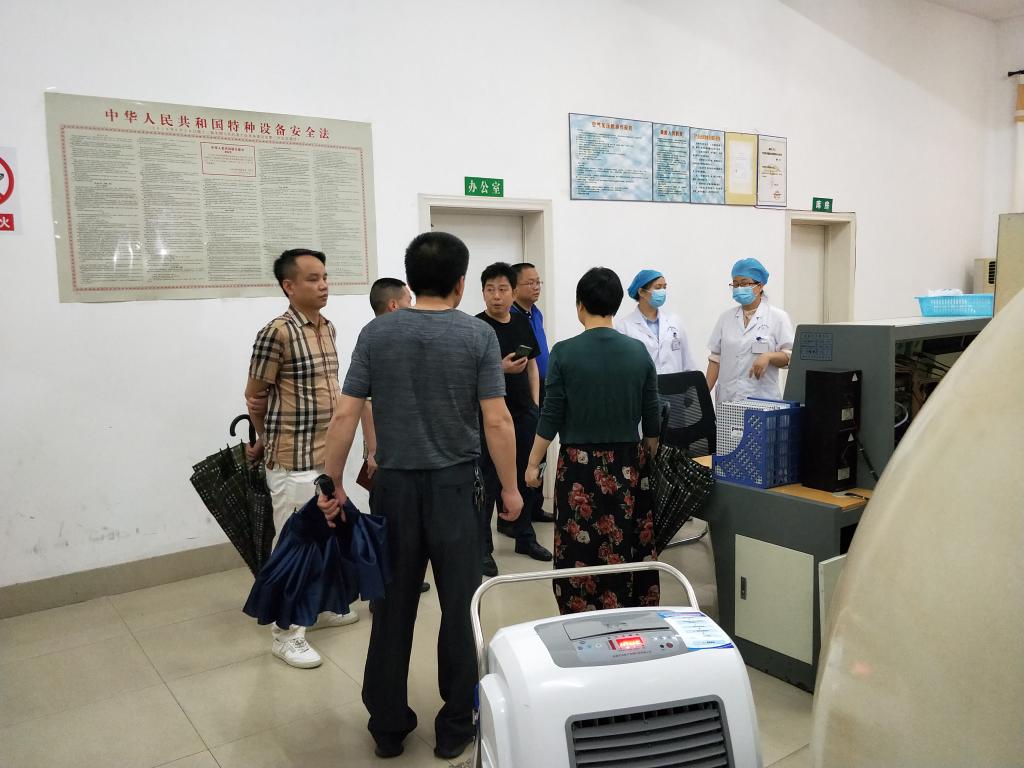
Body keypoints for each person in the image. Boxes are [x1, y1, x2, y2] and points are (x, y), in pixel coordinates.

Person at [317, 232, 523, 761]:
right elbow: (497, 420)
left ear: (410, 280)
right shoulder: (477, 336)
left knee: (391, 609)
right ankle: (455, 724)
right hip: (457, 489)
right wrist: (510, 487)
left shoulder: (377, 332)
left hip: (394, 490)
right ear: (461, 283)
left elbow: (345, 414)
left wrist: (331, 483)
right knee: (459, 607)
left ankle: (387, 726)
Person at [244, 248, 359, 670]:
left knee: (324, 538)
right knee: (294, 546)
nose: (323, 285)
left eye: (325, 277)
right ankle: (286, 633)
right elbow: (254, 395)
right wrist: (265, 438)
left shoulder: (327, 328)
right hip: (292, 457)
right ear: (288, 286)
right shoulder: (276, 332)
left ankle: (317, 607)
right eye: (313, 279)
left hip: (325, 455)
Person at [525, 267, 662, 615]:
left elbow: (551, 416)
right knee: (627, 540)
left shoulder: (564, 352)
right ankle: (628, 611)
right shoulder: (638, 352)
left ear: (580, 305)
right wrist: (648, 455)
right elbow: (652, 418)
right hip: (628, 465)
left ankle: (581, 612)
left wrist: (533, 464)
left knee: (580, 545)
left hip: (579, 469)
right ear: (615, 305)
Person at [476, 263, 552, 575]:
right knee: (488, 482)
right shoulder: (477, 328)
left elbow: (532, 364)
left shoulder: (522, 322)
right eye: (490, 289)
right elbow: (467, 374)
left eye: (502, 289)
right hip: (490, 419)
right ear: (482, 292)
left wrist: (535, 403)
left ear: (512, 292)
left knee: (526, 477)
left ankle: (524, 537)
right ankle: (483, 548)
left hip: (523, 414)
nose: (496, 296)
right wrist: (501, 368)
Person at [360, 277, 430, 597]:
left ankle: (405, 578)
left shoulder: (400, 338)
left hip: (403, 453)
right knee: (386, 524)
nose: (413, 306)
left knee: (405, 525)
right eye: (409, 300)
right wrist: (373, 451)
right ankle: (382, 592)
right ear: (393, 305)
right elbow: (366, 403)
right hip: (385, 454)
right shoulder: (377, 339)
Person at [706, 258, 795, 406]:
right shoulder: (725, 318)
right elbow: (715, 359)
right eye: (735, 284)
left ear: (759, 286)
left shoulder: (778, 317)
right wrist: (702, 395)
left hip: (762, 400)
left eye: (744, 283)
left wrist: (769, 356)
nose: (739, 288)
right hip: (728, 400)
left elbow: (789, 357)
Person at [511, 262, 555, 525]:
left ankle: (536, 506)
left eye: (538, 282)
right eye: (531, 282)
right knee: (523, 453)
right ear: (515, 288)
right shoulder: (512, 317)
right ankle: (517, 516)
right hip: (524, 392)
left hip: (545, 387)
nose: (537, 287)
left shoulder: (535, 313)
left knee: (541, 449)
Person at [615, 269, 700, 374]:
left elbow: (688, 362)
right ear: (641, 292)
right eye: (658, 287)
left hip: (676, 384)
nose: (662, 291)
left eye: (664, 287)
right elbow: (622, 367)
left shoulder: (675, 322)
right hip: (643, 384)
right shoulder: (624, 327)